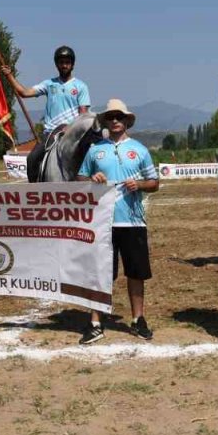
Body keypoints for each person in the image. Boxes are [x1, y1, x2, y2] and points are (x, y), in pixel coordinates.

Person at [75, 99, 159, 344]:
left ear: (126, 121)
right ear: (106, 121)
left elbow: (154, 183)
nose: (114, 121)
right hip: (102, 223)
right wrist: (92, 178)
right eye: (110, 117)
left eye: (119, 117)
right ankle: (95, 322)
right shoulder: (94, 150)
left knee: (136, 273)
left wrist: (140, 184)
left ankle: (138, 320)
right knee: (100, 274)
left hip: (133, 223)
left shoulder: (140, 150)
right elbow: (79, 178)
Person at [0, 45, 90, 180]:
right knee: (32, 159)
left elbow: (83, 115)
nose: (64, 65)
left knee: (93, 157)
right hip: (51, 133)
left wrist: (73, 129)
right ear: (57, 64)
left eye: (67, 62)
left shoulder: (81, 86)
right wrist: (9, 76)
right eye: (61, 62)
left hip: (71, 133)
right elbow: (24, 93)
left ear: (72, 64)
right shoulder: (49, 84)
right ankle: (36, 194)